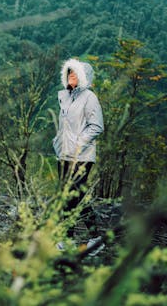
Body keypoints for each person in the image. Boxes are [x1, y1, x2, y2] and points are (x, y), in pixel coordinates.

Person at [53, 58, 104, 252]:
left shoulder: (89, 97)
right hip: (64, 155)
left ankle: (94, 239)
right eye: (68, 73)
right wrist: (58, 143)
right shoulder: (66, 97)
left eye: (75, 73)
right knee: (68, 197)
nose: (70, 76)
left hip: (81, 156)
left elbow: (97, 126)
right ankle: (68, 240)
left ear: (83, 77)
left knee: (76, 196)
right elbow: (65, 128)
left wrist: (77, 145)